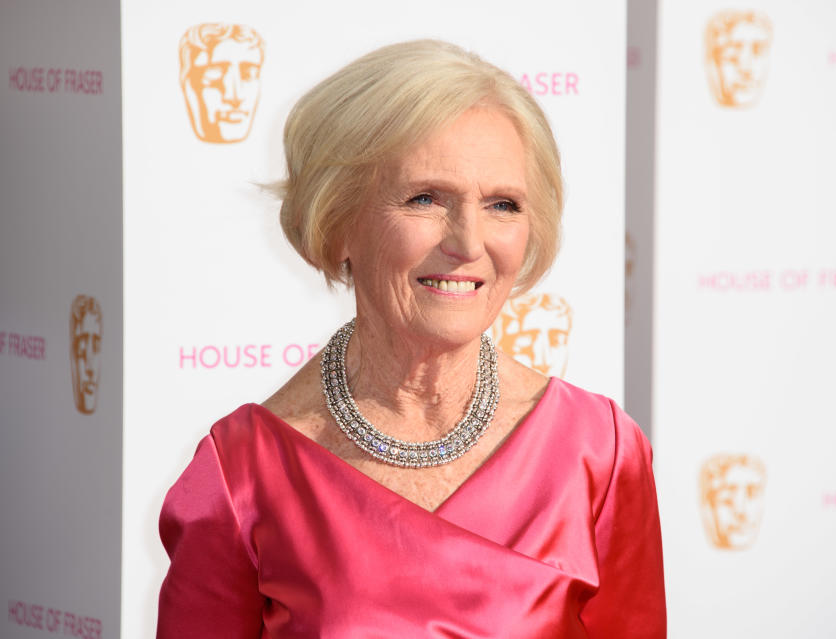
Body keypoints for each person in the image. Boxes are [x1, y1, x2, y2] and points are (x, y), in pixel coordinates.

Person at [157, 39, 665, 638]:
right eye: (426, 198)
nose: (469, 242)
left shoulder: (600, 453)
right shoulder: (241, 474)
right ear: (337, 220)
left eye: (503, 204)